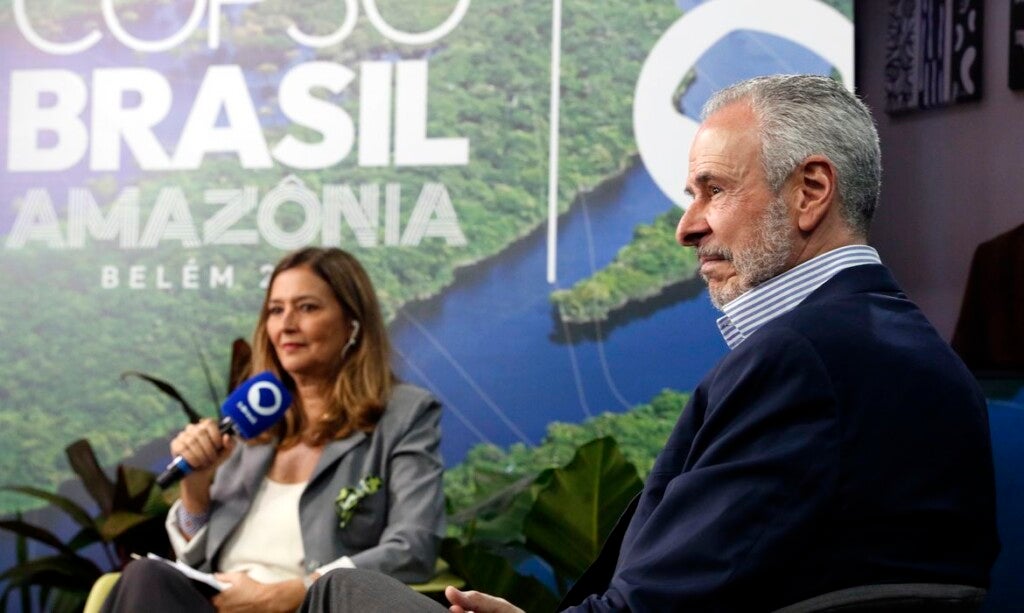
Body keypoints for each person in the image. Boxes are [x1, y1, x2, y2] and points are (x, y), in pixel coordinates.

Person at [301, 74, 1000, 612]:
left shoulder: (801, 360)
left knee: (338, 593)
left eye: (712, 190)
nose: (686, 226)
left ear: (810, 191)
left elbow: (661, 605)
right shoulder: (918, 351)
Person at [103, 247, 445, 612]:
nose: (286, 325)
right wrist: (196, 486)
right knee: (146, 575)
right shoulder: (255, 417)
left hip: (310, 607)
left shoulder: (404, 415)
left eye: (307, 307)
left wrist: (300, 591)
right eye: (276, 310)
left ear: (353, 324)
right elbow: (196, 559)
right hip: (218, 604)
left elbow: (414, 546)